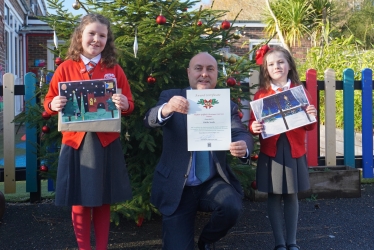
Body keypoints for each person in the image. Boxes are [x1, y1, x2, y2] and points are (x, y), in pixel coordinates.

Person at [143, 52, 253, 250]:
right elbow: (150, 119)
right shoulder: (171, 96)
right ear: (188, 73)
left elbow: (240, 132)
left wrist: (244, 147)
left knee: (231, 206)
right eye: (198, 68)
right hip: (178, 186)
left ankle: (207, 240)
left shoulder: (224, 104)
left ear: (216, 74)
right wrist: (167, 109)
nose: (204, 74)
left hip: (210, 182)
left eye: (210, 69)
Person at [43, 13, 134, 250]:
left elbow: (129, 104)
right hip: (75, 143)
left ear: (108, 40)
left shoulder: (114, 70)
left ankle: (101, 247)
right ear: (80, 36)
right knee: (79, 200)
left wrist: (124, 104)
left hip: (105, 142)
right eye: (91, 33)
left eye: (102, 35)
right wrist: (53, 105)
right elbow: (50, 100)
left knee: (103, 200)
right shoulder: (65, 68)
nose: (96, 39)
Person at [249, 45, 317, 250]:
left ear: (289, 65)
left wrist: (311, 114)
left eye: (280, 62)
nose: (276, 66)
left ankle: (292, 242)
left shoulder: (300, 92)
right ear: (266, 70)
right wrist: (253, 127)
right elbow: (254, 126)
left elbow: (310, 125)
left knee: (291, 194)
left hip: (294, 150)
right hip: (272, 151)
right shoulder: (261, 95)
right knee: (274, 194)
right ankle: (279, 243)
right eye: (271, 64)